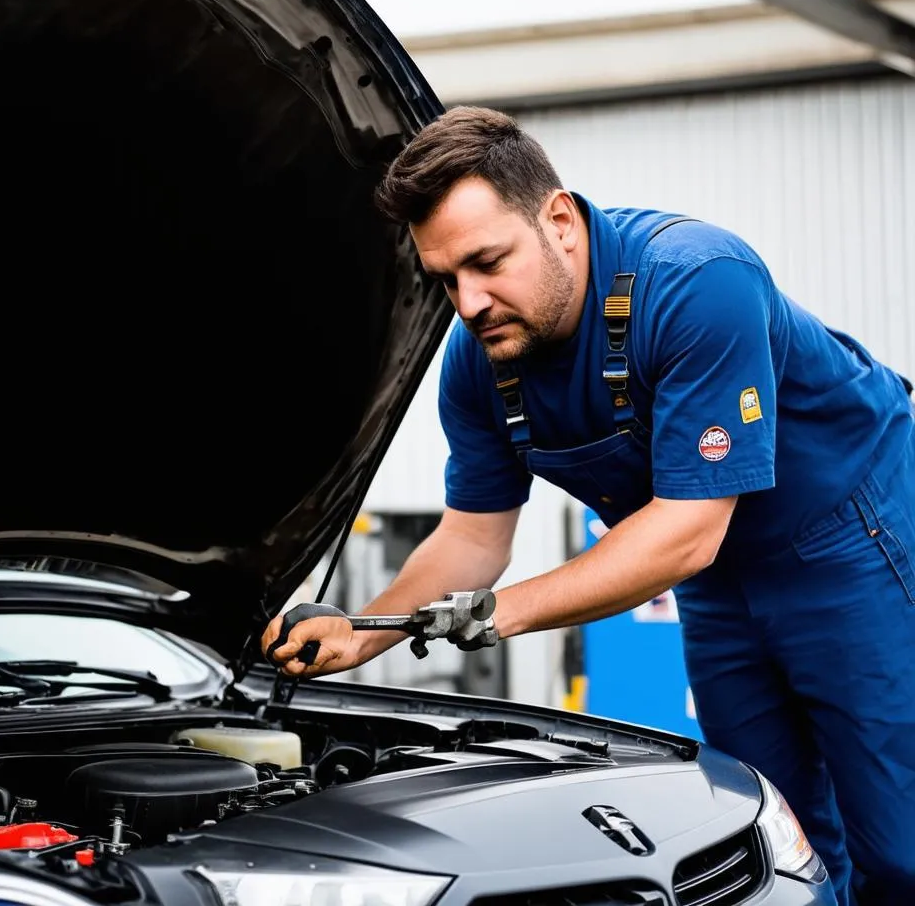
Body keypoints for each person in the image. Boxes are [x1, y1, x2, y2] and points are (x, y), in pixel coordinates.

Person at [261, 106, 915, 905]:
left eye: (487, 261)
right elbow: (472, 537)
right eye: (445, 280)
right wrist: (367, 631)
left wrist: (497, 613)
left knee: (902, 843)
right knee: (772, 833)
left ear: (560, 221)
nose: (468, 302)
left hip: (849, 538)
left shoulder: (697, 283)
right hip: (717, 578)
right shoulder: (479, 364)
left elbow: (684, 533)